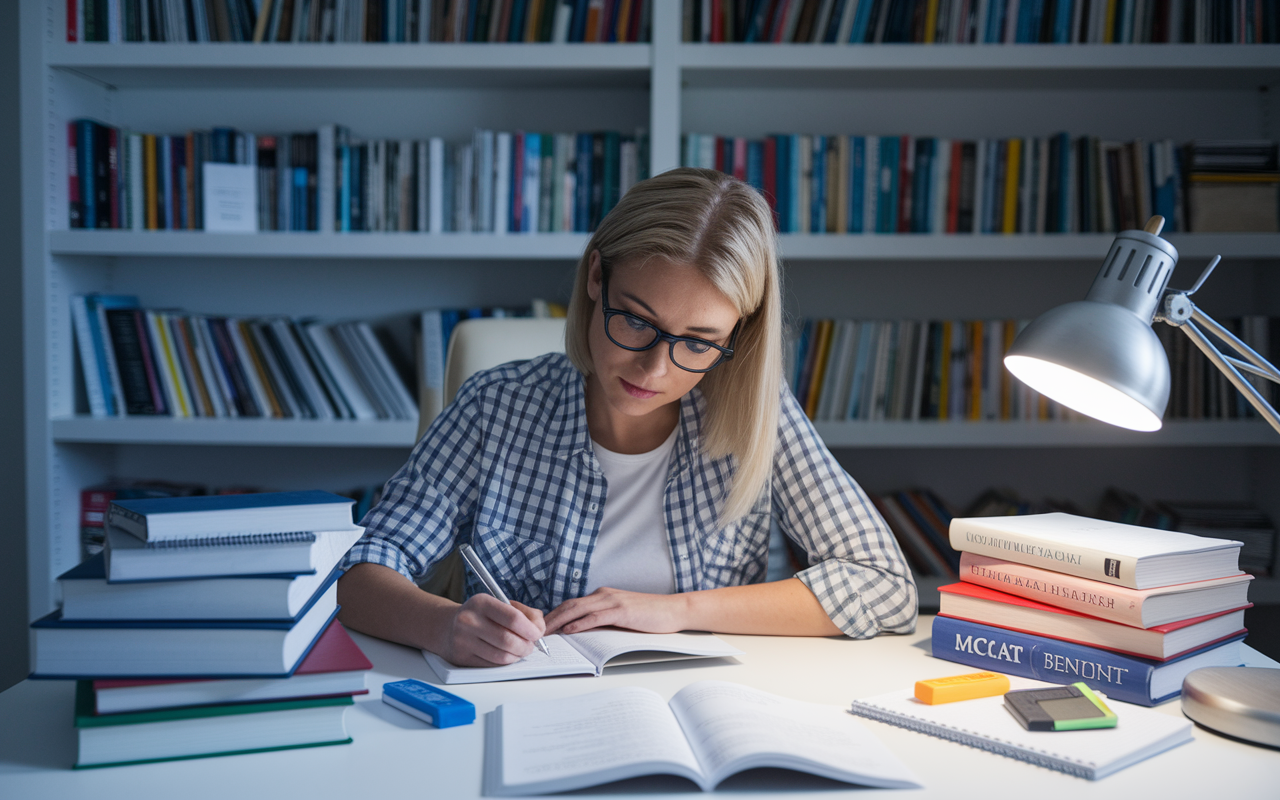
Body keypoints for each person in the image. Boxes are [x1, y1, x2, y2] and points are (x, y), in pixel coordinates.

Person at [337, 168, 916, 667]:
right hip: (528, 710)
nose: (655, 369)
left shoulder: (754, 413)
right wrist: (444, 627)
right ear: (596, 279)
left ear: (738, 333)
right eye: (638, 321)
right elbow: (360, 574)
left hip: (710, 704)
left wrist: (674, 613)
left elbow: (886, 587)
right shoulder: (496, 406)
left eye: (699, 342)